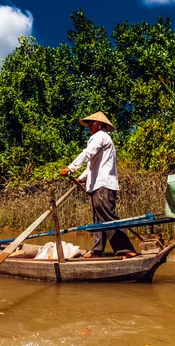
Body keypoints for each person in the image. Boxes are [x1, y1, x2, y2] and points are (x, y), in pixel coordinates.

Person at [60, 111, 137, 259]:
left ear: (99, 124)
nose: (88, 127)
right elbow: (92, 165)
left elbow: (87, 153)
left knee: (107, 217)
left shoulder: (100, 136)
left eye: (91, 124)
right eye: (88, 124)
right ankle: (96, 251)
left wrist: (71, 167)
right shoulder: (101, 139)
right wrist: (82, 178)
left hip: (103, 185)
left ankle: (126, 249)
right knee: (99, 219)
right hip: (98, 185)